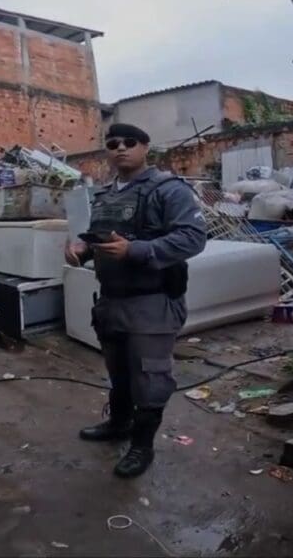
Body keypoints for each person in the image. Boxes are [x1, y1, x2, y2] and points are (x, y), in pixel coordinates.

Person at [65, 123, 207, 478]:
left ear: (146, 147)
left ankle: (142, 446)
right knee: (120, 374)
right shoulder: (105, 195)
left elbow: (192, 239)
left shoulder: (168, 190)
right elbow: (100, 241)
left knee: (150, 378)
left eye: (130, 142)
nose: (121, 148)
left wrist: (136, 250)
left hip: (152, 302)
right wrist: (81, 251)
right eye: (113, 144)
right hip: (112, 302)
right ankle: (119, 424)